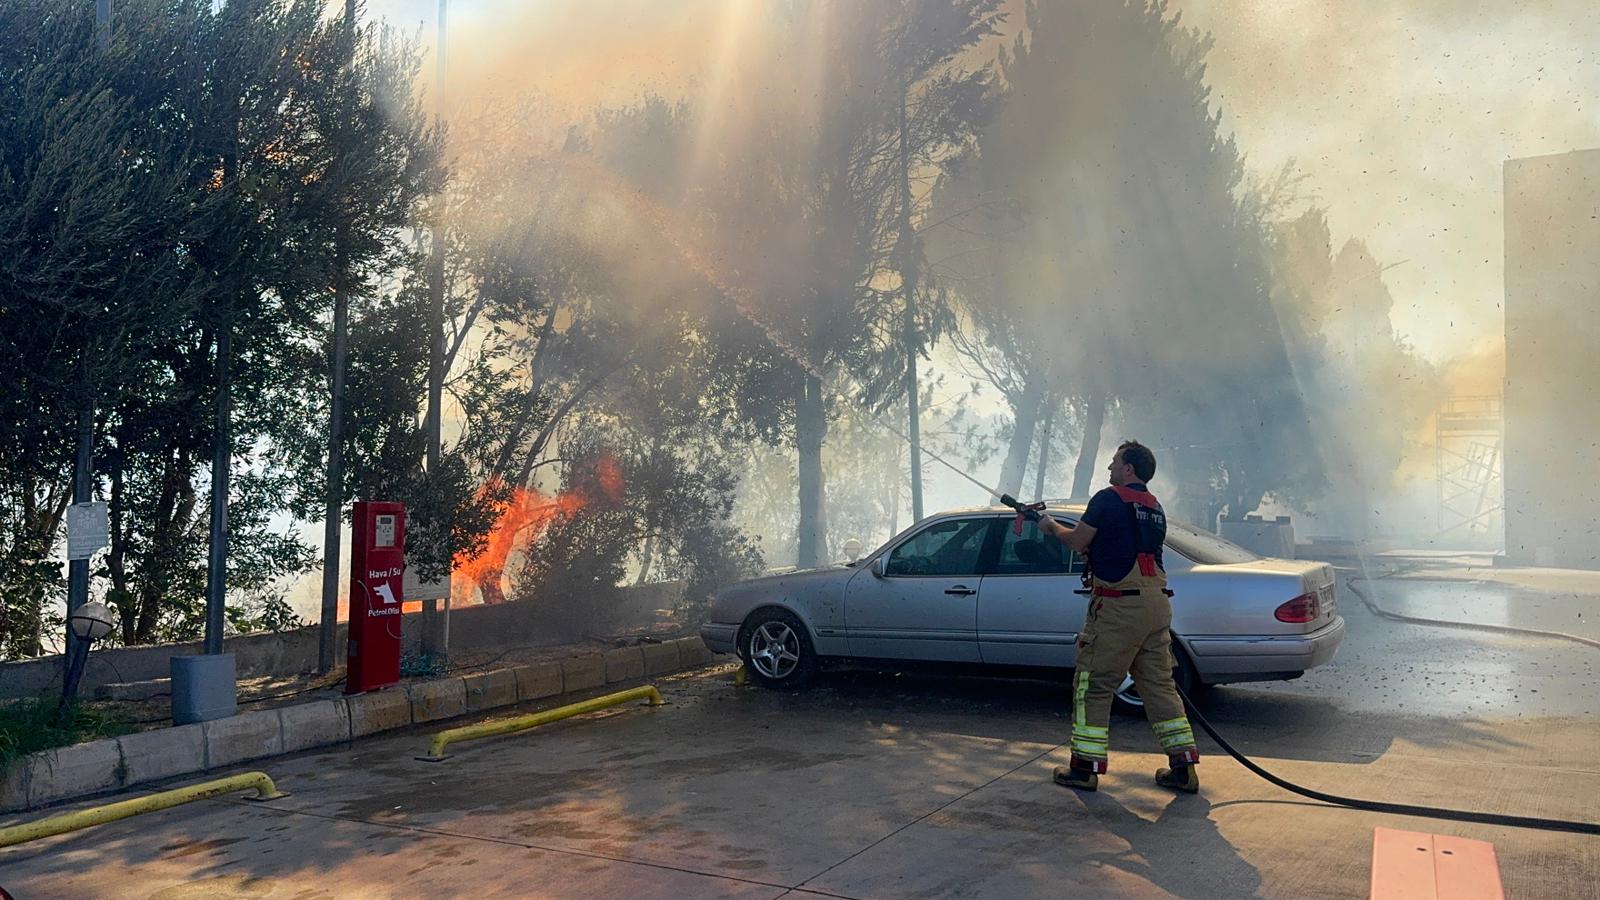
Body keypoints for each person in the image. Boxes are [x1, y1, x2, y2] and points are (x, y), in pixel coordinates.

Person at [1034, 440, 1200, 794]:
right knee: (1159, 686)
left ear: (1128, 470)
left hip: (1119, 607)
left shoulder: (1108, 498)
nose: (1109, 468)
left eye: (1114, 463)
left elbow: (1079, 541)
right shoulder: (1155, 508)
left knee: (1092, 684)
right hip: (1156, 604)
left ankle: (1084, 768)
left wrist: (1049, 527)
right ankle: (1183, 767)